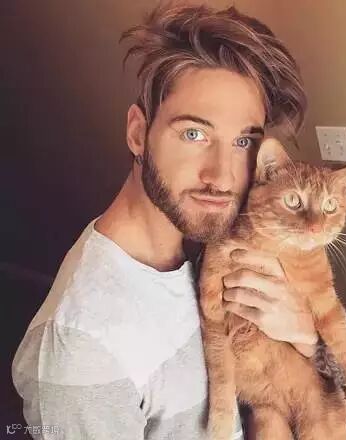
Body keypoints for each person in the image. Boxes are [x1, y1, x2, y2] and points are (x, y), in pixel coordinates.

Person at [11, 2, 319, 439]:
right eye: (194, 133)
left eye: (243, 142)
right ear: (138, 133)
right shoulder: (80, 352)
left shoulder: (208, 244)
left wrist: (304, 339)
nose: (223, 177)